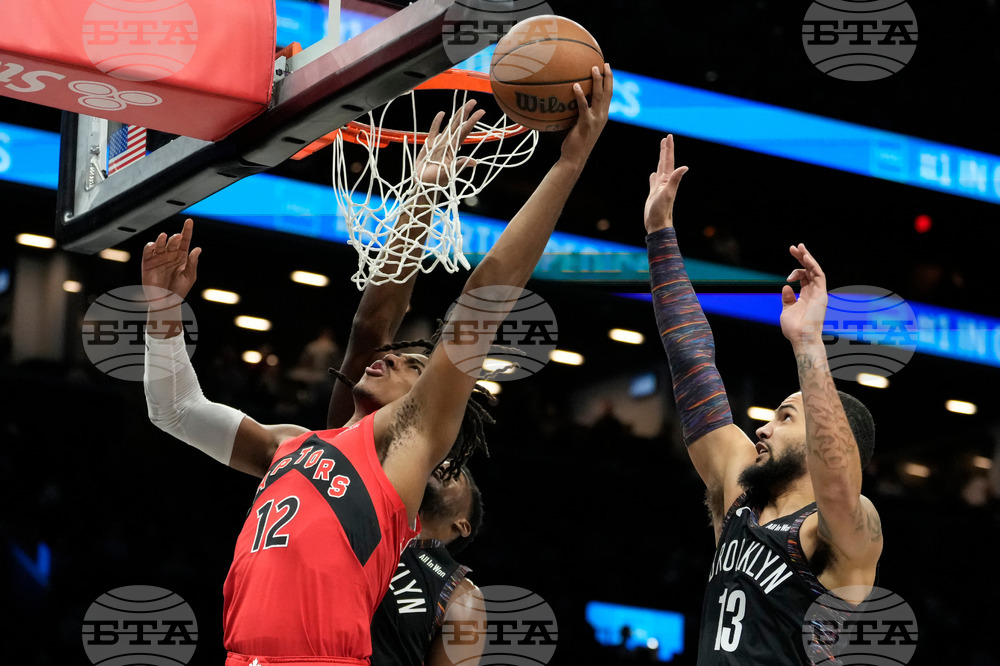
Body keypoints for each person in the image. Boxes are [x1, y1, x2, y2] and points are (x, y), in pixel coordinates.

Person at [141, 64, 612, 666]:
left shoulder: (409, 446)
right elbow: (176, 410)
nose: (388, 355)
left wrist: (567, 165)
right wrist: (162, 316)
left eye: (415, 364)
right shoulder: (294, 445)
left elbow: (484, 296)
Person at [643, 135, 882, 664]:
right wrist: (660, 233)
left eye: (785, 416)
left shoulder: (844, 530)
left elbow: (837, 479)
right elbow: (692, 361)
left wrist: (808, 343)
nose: (763, 429)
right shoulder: (739, 496)